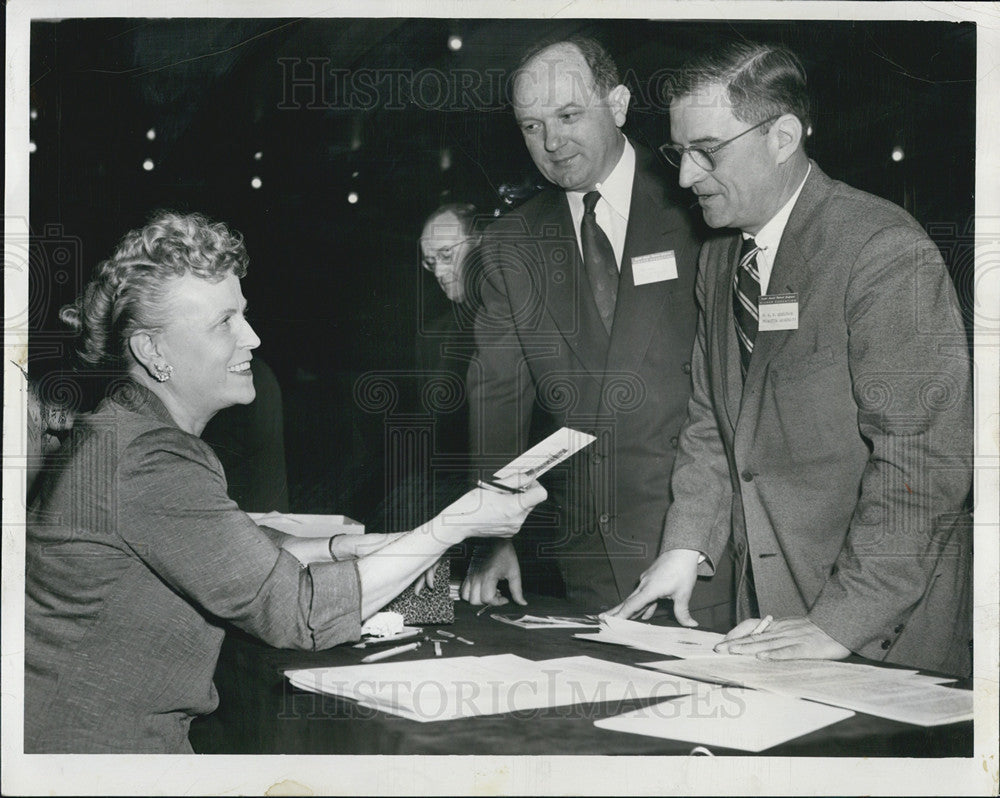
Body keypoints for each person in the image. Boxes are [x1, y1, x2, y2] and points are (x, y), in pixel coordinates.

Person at [24, 211, 545, 753]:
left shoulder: (131, 430)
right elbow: (301, 614)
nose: (252, 336)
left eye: (243, 314)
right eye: (223, 322)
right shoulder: (148, 459)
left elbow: (212, 545)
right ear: (153, 352)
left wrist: (339, 545)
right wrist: (453, 527)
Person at [607, 42, 973, 677]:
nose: (687, 176)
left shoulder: (882, 250)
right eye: (678, 152)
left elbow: (921, 460)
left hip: (889, 624)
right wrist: (686, 544)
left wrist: (841, 623)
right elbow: (711, 420)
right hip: (774, 617)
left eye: (707, 151)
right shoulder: (720, 259)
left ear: (781, 136)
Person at [463, 36, 732, 620]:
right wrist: (495, 532)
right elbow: (497, 399)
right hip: (591, 552)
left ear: (618, 104)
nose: (552, 142)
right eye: (531, 127)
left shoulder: (703, 206)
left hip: (710, 542)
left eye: (567, 116)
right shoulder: (512, 245)